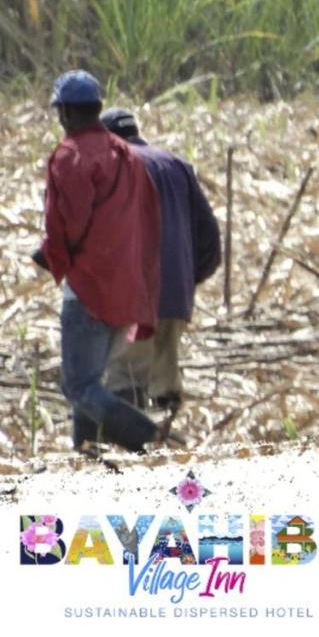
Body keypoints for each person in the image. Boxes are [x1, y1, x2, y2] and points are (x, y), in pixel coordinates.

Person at [33, 70, 170, 452]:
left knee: (78, 385)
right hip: (126, 288)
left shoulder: (69, 156)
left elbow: (68, 224)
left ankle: (149, 438)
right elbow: (146, 219)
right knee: (91, 382)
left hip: (89, 289)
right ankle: (85, 456)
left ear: (66, 114)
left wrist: (51, 255)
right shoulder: (126, 154)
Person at [99, 107, 222, 412]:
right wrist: (187, 279)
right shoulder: (177, 165)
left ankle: (133, 451)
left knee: (126, 381)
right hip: (175, 292)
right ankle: (168, 448)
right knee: (165, 386)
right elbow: (209, 237)